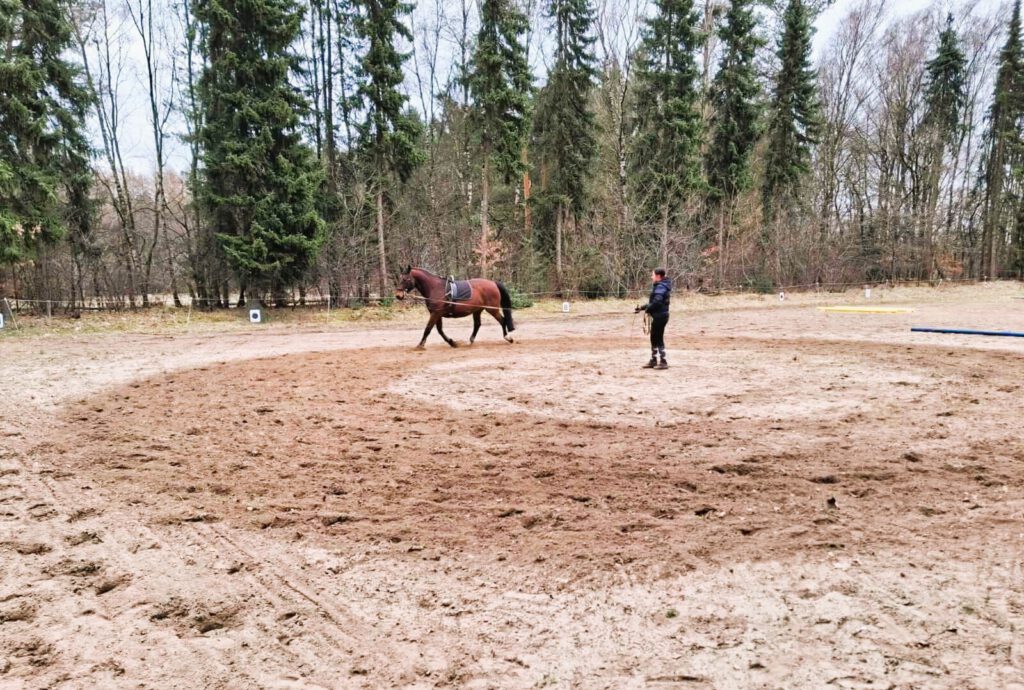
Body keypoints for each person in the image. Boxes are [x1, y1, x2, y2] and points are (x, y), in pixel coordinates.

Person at [635, 268, 672, 369]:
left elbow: (657, 302)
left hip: (660, 316)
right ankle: (654, 360)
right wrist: (642, 308)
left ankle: (663, 362)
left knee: (658, 338)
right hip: (661, 315)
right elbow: (654, 302)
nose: (651, 277)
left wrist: (648, 309)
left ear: (658, 276)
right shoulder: (661, 286)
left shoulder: (661, 287)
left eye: (653, 275)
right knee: (654, 337)